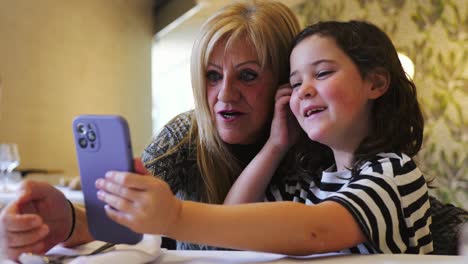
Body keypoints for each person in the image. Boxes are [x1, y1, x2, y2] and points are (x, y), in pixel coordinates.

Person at [92, 20, 433, 255]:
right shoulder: (311, 184)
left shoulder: (394, 173)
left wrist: (175, 216)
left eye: (324, 73)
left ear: (375, 84)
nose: (305, 91)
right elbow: (232, 223)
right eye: (296, 83)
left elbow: (315, 230)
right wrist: (276, 144)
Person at [0, 0, 303, 260]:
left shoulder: (314, 140)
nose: (225, 94)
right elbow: (121, 214)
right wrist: (64, 221)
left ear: (285, 80)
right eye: (212, 75)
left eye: (247, 75)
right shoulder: (187, 134)